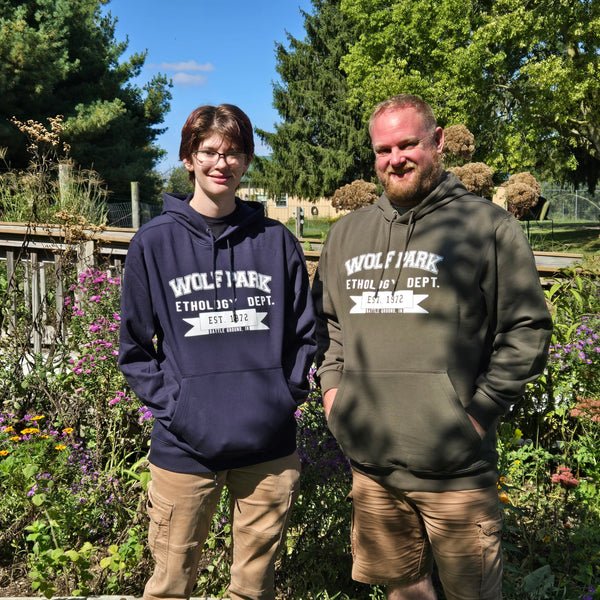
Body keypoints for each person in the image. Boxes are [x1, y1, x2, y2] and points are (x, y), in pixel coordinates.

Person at [312, 94, 552, 600]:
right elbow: (328, 326)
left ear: (437, 143)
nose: (394, 158)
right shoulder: (346, 235)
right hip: (374, 468)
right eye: (383, 149)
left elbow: (526, 328)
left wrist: (478, 413)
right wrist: (336, 397)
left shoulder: (487, 227)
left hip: (457, 473)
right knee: (404, 590)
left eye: (407, 144)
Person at [118, 103, 317, 600]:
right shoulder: (154, 243)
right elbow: (136, 349)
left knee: (254, 588)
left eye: (233, 153)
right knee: (170, 586)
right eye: (208, 151)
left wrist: (281, 398)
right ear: (189, 158)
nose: (220, 163)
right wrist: (180, 408)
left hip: (268, 450)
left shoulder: (277, 243)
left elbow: (306, 334)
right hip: (185, 450)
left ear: (246, 161)